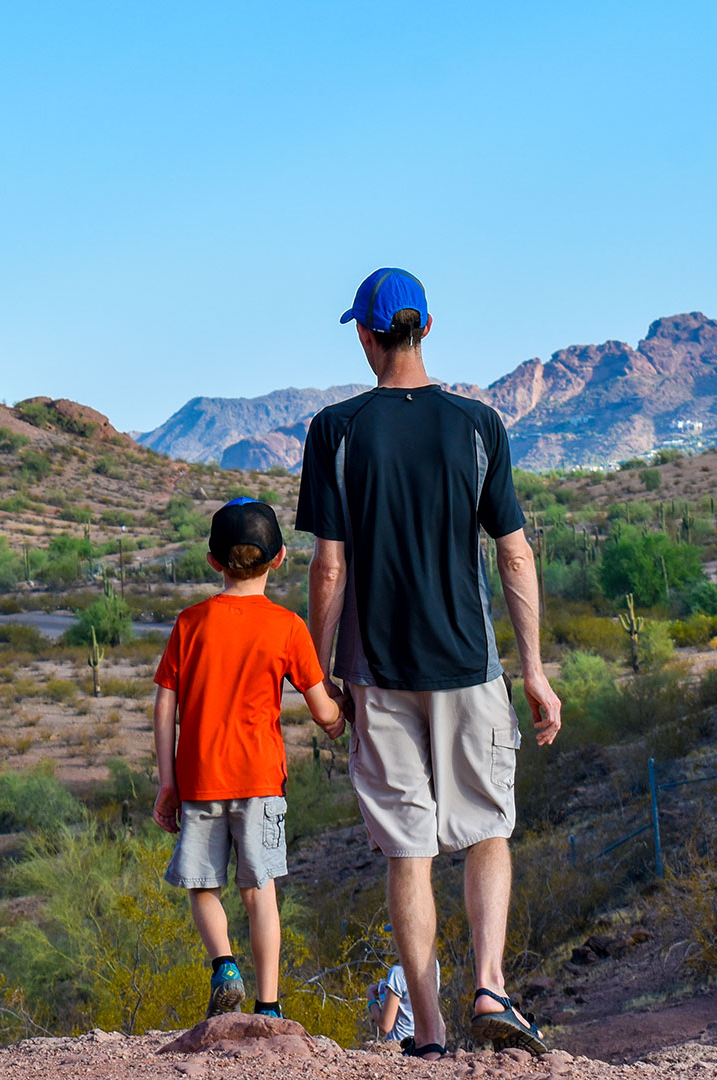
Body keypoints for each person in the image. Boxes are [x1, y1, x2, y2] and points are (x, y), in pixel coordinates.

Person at [297, 268, 562, 1059]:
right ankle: (489, 984)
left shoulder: (335, 430)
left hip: (377, 675)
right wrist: (536, 670)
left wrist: (318, 676)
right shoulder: (478, 424)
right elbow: (514, 558)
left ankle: (432, 1032)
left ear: (365, 335)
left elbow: (329, 570)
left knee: (407, 848)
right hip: (469, 667)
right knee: (486, 829)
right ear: (429, 326)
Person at [152, 498, 345, 1020]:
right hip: (261, 781)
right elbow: (321, 703)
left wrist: (166, 783)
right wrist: (338, 723)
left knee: (203, 886)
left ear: (212, 561)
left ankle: (224, 968)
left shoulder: (189, 624)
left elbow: (165, 702)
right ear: (280, 558)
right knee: (261, 893)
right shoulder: (286, 626)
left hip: (199, 779)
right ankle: (270, 1006)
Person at [366, 960, 438, 1044]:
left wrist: (370, 996)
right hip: (424, 1043)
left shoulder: (398, 973)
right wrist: (390, 990)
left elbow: (385, 1025)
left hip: (400, 1044)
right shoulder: (433, 965)